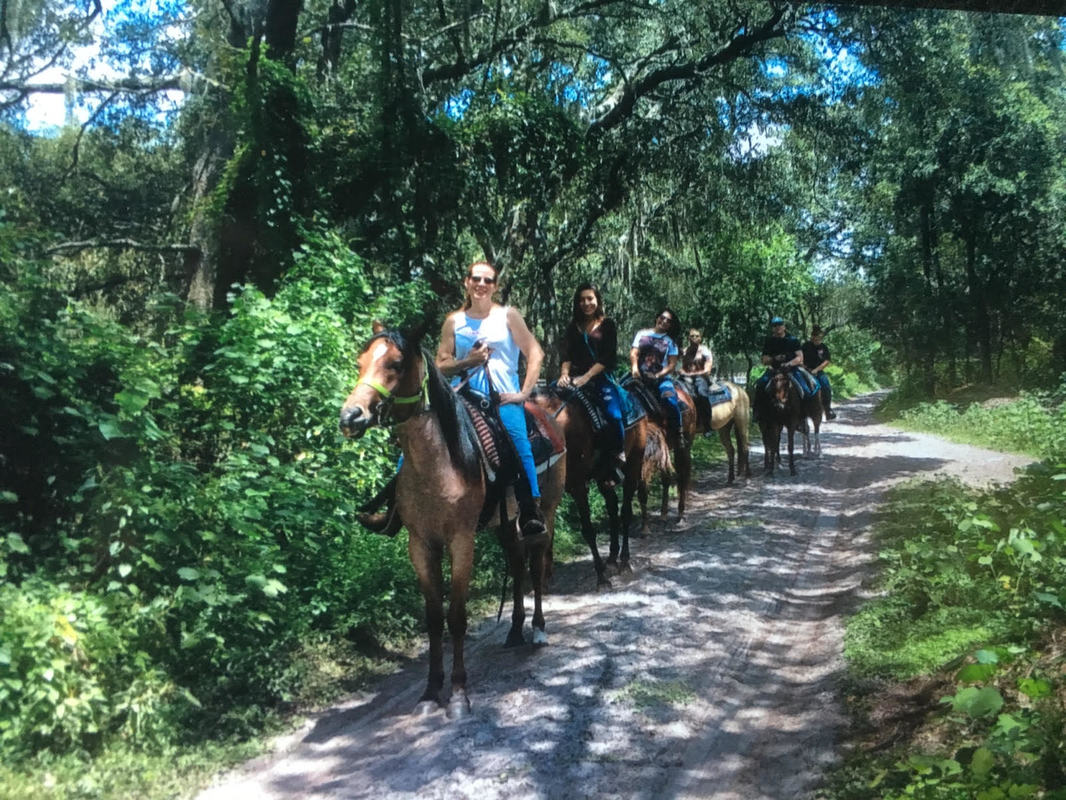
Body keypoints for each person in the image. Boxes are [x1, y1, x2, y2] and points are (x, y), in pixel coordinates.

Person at [436, 260, 547, 541]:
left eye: (488, 280)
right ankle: (395, 504)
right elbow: (440, 364)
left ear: (495, 286)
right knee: (422, 433)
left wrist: (523, 392)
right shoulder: (454, 321)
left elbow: (535, 353)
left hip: (500, 396)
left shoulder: (508, 316)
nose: (481, 285)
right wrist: (468, 361)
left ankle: (529, 508)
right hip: (460, 395)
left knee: (517, 439)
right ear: (466, 282)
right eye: (476, 279)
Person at [558, 283, 626, 482]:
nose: (586, 303)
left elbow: (607, 358)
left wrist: (585, 378)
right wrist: (564, 374)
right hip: (574, 379)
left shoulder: (608, 325)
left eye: (590, 299)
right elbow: (567, 355)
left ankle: (617, 455)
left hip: (599, 379)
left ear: (597, 301)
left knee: (613, 414)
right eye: (582, 300)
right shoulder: (573, 327)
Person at [630, 309, 684, 436]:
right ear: (657, 318)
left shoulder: (671, 342)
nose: (664, 321)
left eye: (668, 321)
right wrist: (634, 368)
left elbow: (671, 365)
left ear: (670, 325)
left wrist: (657, 375)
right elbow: (634, 353)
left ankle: (678, 431)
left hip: (661, 378)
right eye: (662, 317)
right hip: (638, 375)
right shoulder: (642, 334)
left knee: (670, 400)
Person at [679, 328, 715, 418]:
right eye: (692, 336)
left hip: (701, 378)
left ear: (700, 339)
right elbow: (681, 368)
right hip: (685, 379)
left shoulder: (705, 351)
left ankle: (707, 424)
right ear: (688, 338)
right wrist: (681, 372)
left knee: (702, 393)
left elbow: (707, 370)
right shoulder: (684, 352)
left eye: (697, 336)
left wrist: (692, 374)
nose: (694, 338)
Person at [802, 326, 837, 420]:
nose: (817, 339)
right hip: (805, 370)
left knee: (826, 385)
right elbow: (800, 358)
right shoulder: (805, 346)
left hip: (818, 371)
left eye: (819, 337)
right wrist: (805, 367)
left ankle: (827, 409)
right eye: (815, 336)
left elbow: (827, 361)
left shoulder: (823, 347)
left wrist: (816, 370)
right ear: (812, 336)